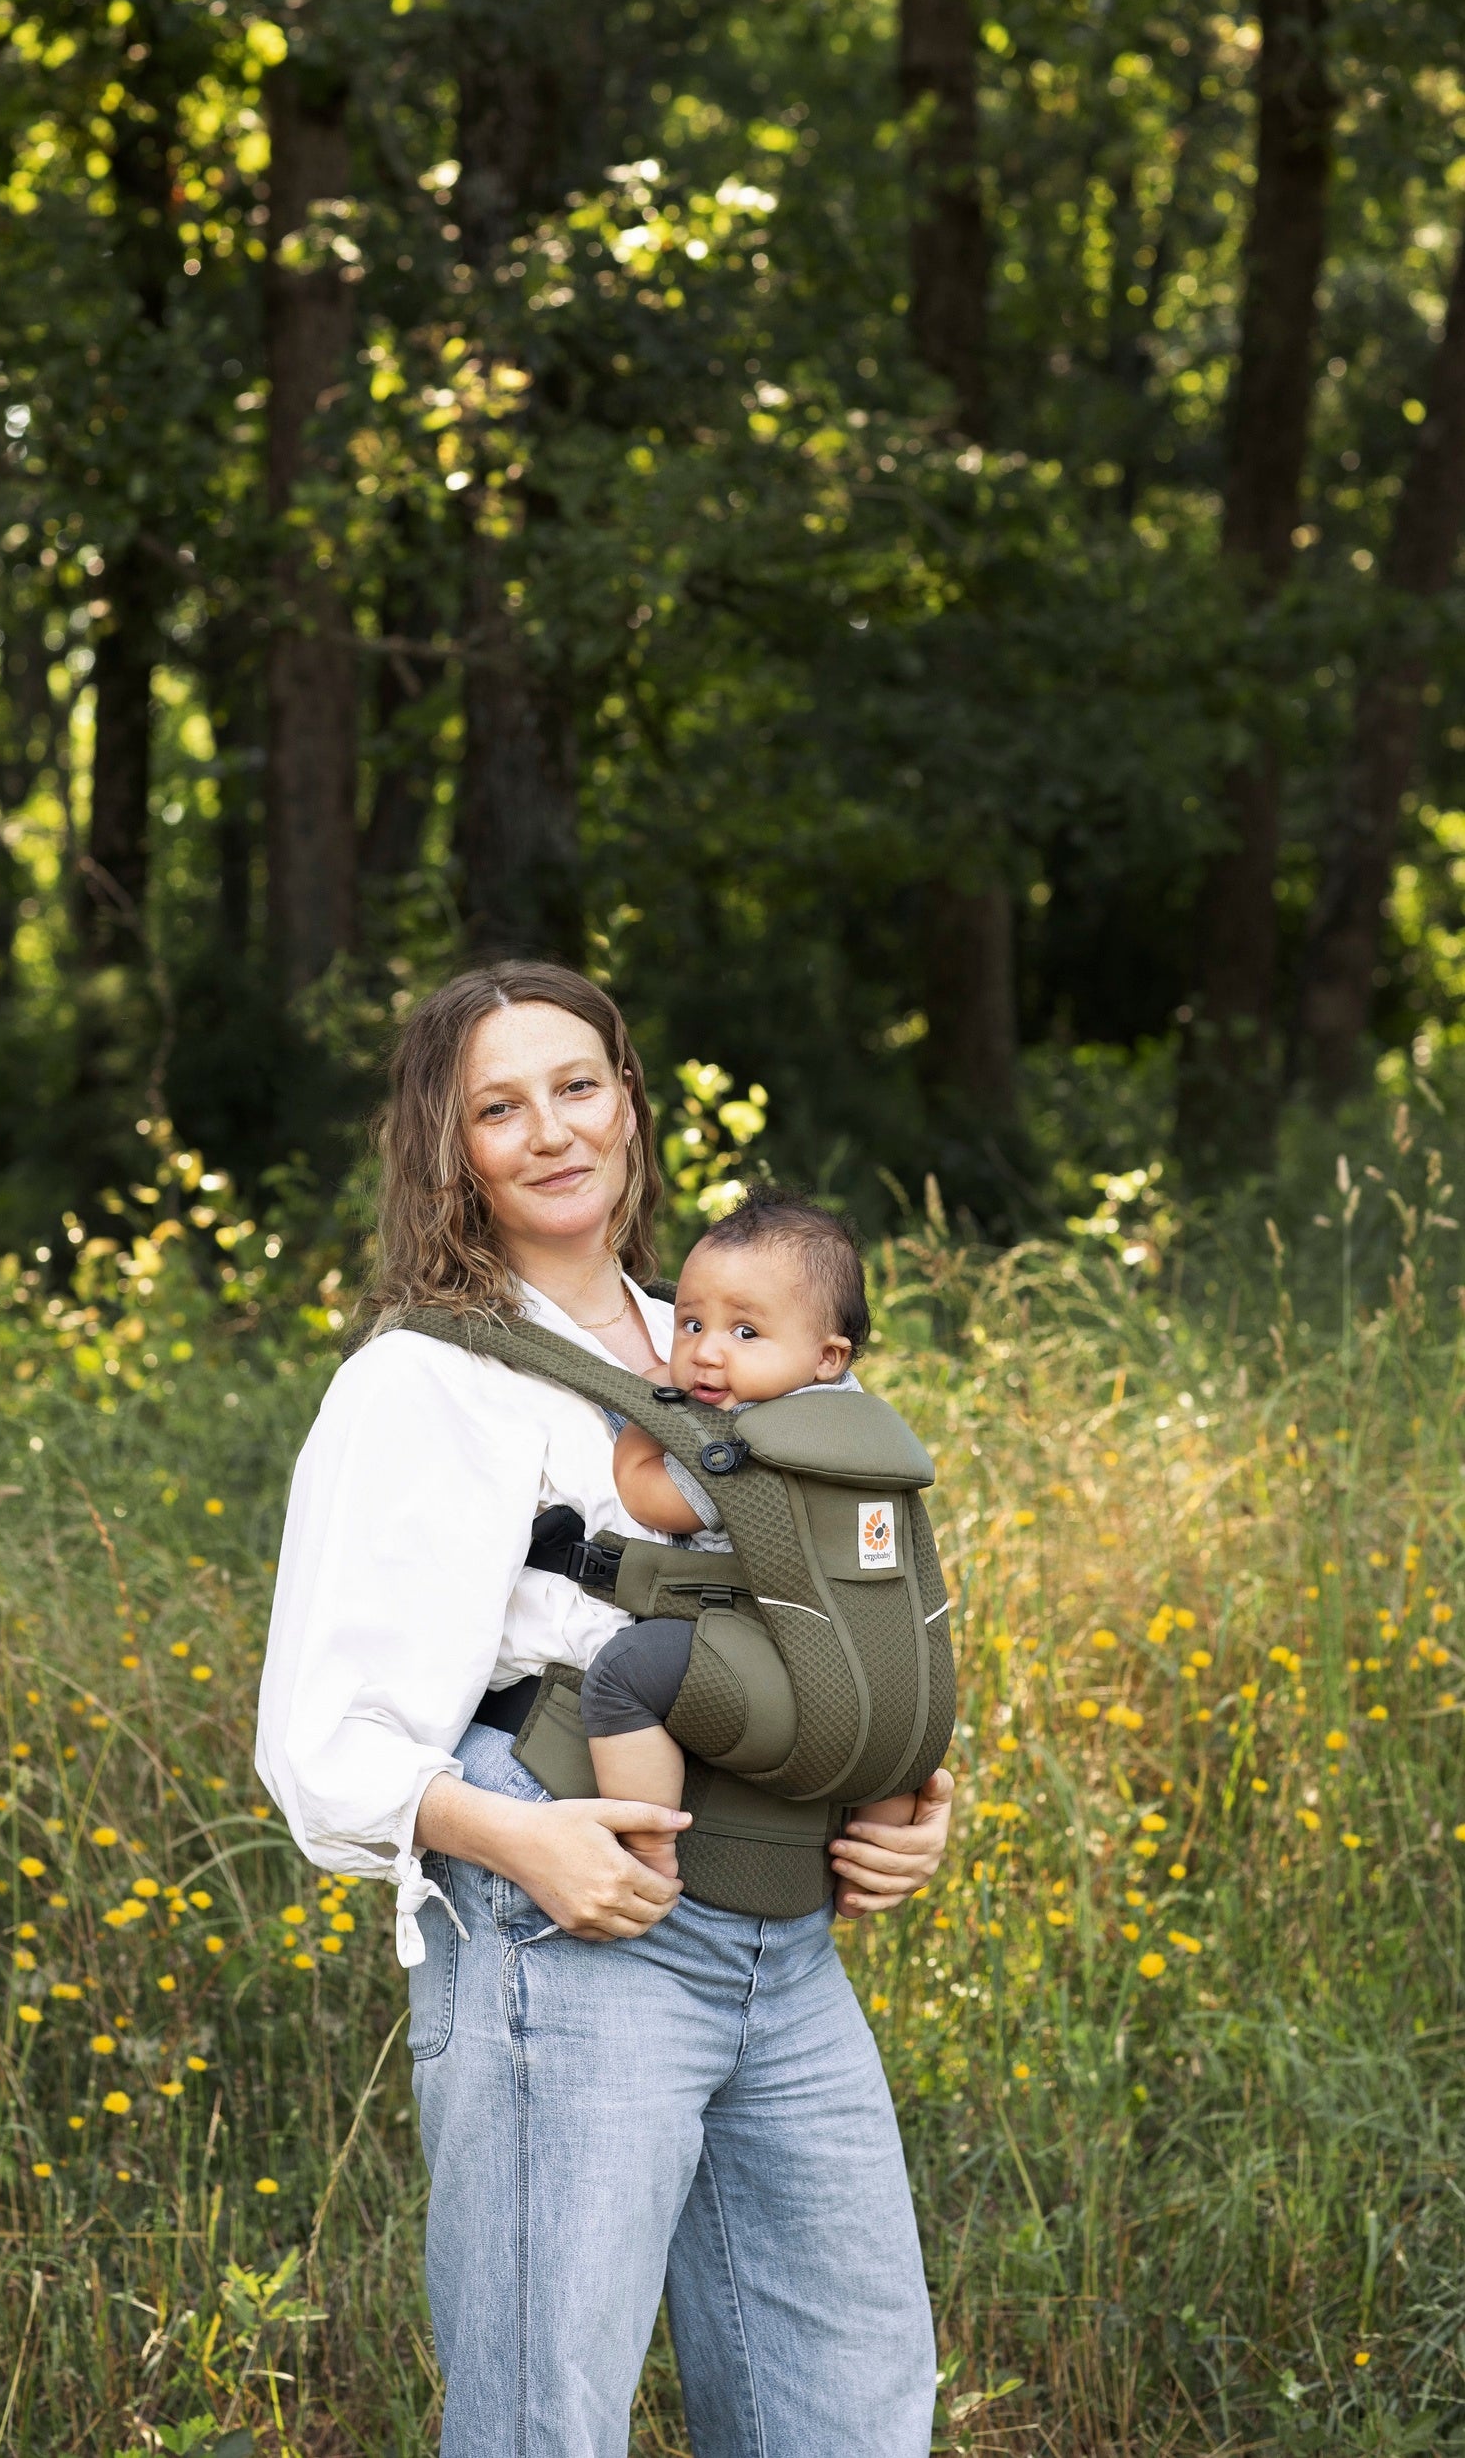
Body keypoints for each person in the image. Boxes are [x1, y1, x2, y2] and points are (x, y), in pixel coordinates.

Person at [255, 961, 954, 2458]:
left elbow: (839, 1600)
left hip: (783, 1930)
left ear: (629, 1101)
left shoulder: (733, 1332)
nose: (552, 1130)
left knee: (850, 2398)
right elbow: (325, 1740)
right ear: (450, 1149)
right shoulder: (422, 1383)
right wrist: (521, 1843)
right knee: (545, 2416)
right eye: (498, 1108)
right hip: (571, 1923)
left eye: (577, 1086)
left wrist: (898, 1795)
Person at [583, 1188, 919, 1882]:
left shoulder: (746, 1440)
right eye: (690, 1324)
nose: (706, 1353)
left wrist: (648, 1415)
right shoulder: (858, 1417)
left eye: (744, 1333)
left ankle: (649, 1846)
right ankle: (870, 1856)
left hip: (776, 1651)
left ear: (828, 1356)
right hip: (878, 1668)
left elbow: (649, 1497)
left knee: (623, 1673)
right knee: (897, 1729)